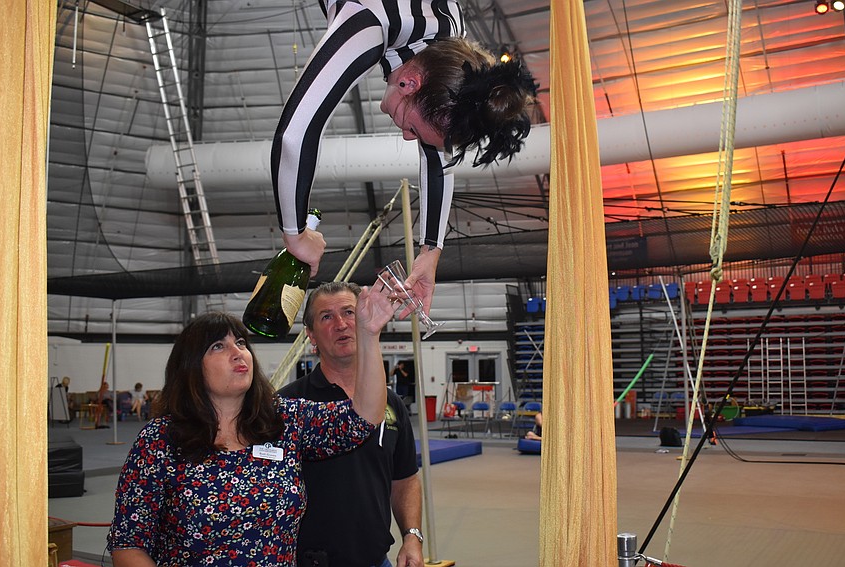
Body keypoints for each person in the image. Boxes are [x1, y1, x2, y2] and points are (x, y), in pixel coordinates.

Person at [271, 0, 537, 314]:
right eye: (411, 127)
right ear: (409, 83)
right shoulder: (368, 23)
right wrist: (296, 233)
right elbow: (295, 133)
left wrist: (431, 251)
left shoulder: (450, 43)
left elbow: (439, 159)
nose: (406, 136)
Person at [106, 285, 394, 567]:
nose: (237, 352)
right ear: (191, 366)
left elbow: (363, 417)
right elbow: (128, 545)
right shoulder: (160, 440)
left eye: (241, 343)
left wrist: (368, 336)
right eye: (219, 346)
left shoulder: (283, 420)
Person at [278, 282, 423, 567]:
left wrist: (412, 536)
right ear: (311, 336)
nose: (341, 324)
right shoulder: (287, 406)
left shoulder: (391, 404)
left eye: (349, 312)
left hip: (376, 560)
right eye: (326, 317)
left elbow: (405, 479)